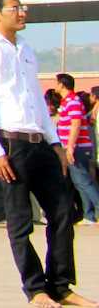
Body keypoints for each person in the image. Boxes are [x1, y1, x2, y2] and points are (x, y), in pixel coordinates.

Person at [0, 0, 93, 308]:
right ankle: (36, 290)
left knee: (64, 212)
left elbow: (37, 99)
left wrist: (56, 143)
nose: (22, 12)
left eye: (22, 7)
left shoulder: (26, 49)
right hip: (10, 146)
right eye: (14, 8)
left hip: (40, 144)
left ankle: (61, 286)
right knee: (21, 221)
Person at [55, 72, 99, 223]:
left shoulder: (73, 101)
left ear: (62, 84)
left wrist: (70, 147)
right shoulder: (67, 102)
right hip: (75, 147)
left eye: (57, 83)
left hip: (77, 147)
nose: (56, 86)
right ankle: (89, 215)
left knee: (84, 181)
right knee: (80, 182)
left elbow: (76, 124)